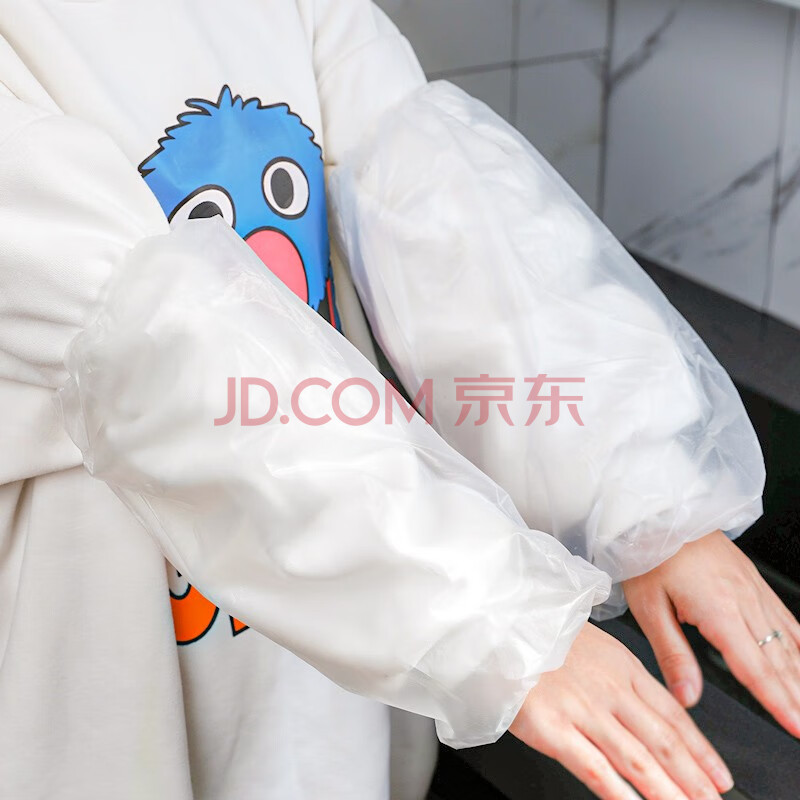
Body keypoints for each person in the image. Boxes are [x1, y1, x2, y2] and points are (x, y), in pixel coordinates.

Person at [0, 3, 796, 800]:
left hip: (352, 611)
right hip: (112, 647)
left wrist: (645, 496)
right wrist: (497, 619)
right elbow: (159, 347)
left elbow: (444, 210)